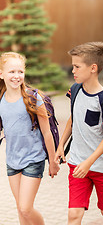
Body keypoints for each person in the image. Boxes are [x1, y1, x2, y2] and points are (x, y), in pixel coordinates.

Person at [55, 42, 103, 225]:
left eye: (77, 66)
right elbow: (72, 119)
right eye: (73, 66)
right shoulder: (75, 89)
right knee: (74, 214)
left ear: (93, 68)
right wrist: (61, 146)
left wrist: (89, 162)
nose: (73, 70)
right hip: (77, 164)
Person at [0, 52, 60, 225]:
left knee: (25, 208)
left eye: (20, 72)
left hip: (33, 159)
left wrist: (53, 161)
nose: (16, 76)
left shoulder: (34, 98)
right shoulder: (1, 99)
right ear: (1, 73)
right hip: (12, 160)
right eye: (11, 72)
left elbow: (47, 132)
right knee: (21, 210)